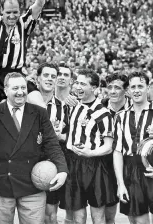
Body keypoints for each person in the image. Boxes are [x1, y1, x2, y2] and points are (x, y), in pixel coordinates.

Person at [0, 72, 68, 224]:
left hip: (32, 186)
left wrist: (62, 170)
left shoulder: (39, 113)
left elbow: (52, 144)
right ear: (5, 90)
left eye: (23, 87)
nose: (20, 92)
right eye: (15, 88)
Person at [59, 69, 117, 224]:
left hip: (94, 166)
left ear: (94, 88)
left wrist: (90, 153)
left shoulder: (103, 114)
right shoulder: (73, 106)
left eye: (83, 84)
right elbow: (69, 134)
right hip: (73, 163)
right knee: (78, 217)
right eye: (77, 82)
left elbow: (108, 147)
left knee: (97, 217)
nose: (78, 86)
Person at [113, 71, 153, 224]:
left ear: (148, 88)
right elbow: (117, 152)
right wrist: (120, 184)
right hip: (131, 171)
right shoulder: (121, 117)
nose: (136, 90)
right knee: (137, 220)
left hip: (151, 169)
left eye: (140, 86)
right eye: (133, 87)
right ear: (128, 91)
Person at [36, 63, 70, 224]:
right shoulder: (26, 103)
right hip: (27, 163)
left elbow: (70, 135)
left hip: (50, 166)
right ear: (38, 78)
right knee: (29, 214)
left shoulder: (64, 107)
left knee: (50, 215)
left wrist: (60, 135)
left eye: (53, 76)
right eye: (46, 75)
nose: (49, 79)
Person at [101, 72, 132, 224]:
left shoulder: (136, 108)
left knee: (136, 212)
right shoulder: (99, 107)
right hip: (106, 164)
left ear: (126, 90)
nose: (112, 91)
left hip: (131, 165)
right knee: (109, 213)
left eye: (117, 88)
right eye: (110, 87)